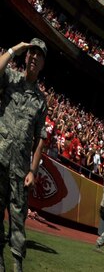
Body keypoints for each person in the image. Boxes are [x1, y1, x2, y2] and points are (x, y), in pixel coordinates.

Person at [0, 39, 49, 272]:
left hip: (20, 169)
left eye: (39, 55)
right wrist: (13, 49)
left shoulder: (41, 101)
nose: (34, 57)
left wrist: (33, 170)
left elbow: (40, 138)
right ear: (26, 56)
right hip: (0, 159)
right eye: (31, 52)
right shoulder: (10, 77)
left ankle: (17, 265)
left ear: (42, 64)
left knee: (18, 221)